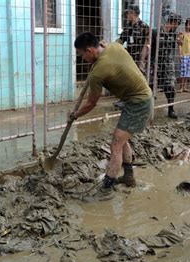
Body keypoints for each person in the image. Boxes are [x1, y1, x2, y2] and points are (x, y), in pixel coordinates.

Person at [73, 32, 153, 200]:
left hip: (139, 103)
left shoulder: (98, 72)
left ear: (90, 50)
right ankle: (129, 176)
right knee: (121, 139)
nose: (82, 58)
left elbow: (91, 103)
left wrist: (75, 114)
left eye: (81, 54)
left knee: (116, 144)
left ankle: (107, 188)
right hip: (138, 98)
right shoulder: (114, 46)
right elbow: (105, 44)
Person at [150, 12, 182, 118]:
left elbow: (171, 49)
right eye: (178, 23)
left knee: (170, 87)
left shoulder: (173, 34)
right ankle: (146, 110)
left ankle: (171, 109)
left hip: (167, 63)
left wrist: (179, 44)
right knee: (149, 87)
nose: (177, 26)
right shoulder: (156, 32)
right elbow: (148, 47)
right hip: (155, 62)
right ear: (174, 22)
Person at [117, 4, 150, 73]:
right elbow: (121, 40)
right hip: (129, 59)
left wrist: (142, 60)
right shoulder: (128, 26)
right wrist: (111, 46)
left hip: (139, 60)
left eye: (128, 13)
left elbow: (147, 44)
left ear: (133, 13)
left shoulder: (144, 26)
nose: (127, 15)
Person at [178, 18, 190, 92]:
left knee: (188, 71)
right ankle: (181, 87)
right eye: (189, 24)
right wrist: (180, 54)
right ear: (186, 25)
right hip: (184, 55)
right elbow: (179, 45)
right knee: (183, 72)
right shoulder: (181, 33)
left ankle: (185, 87)